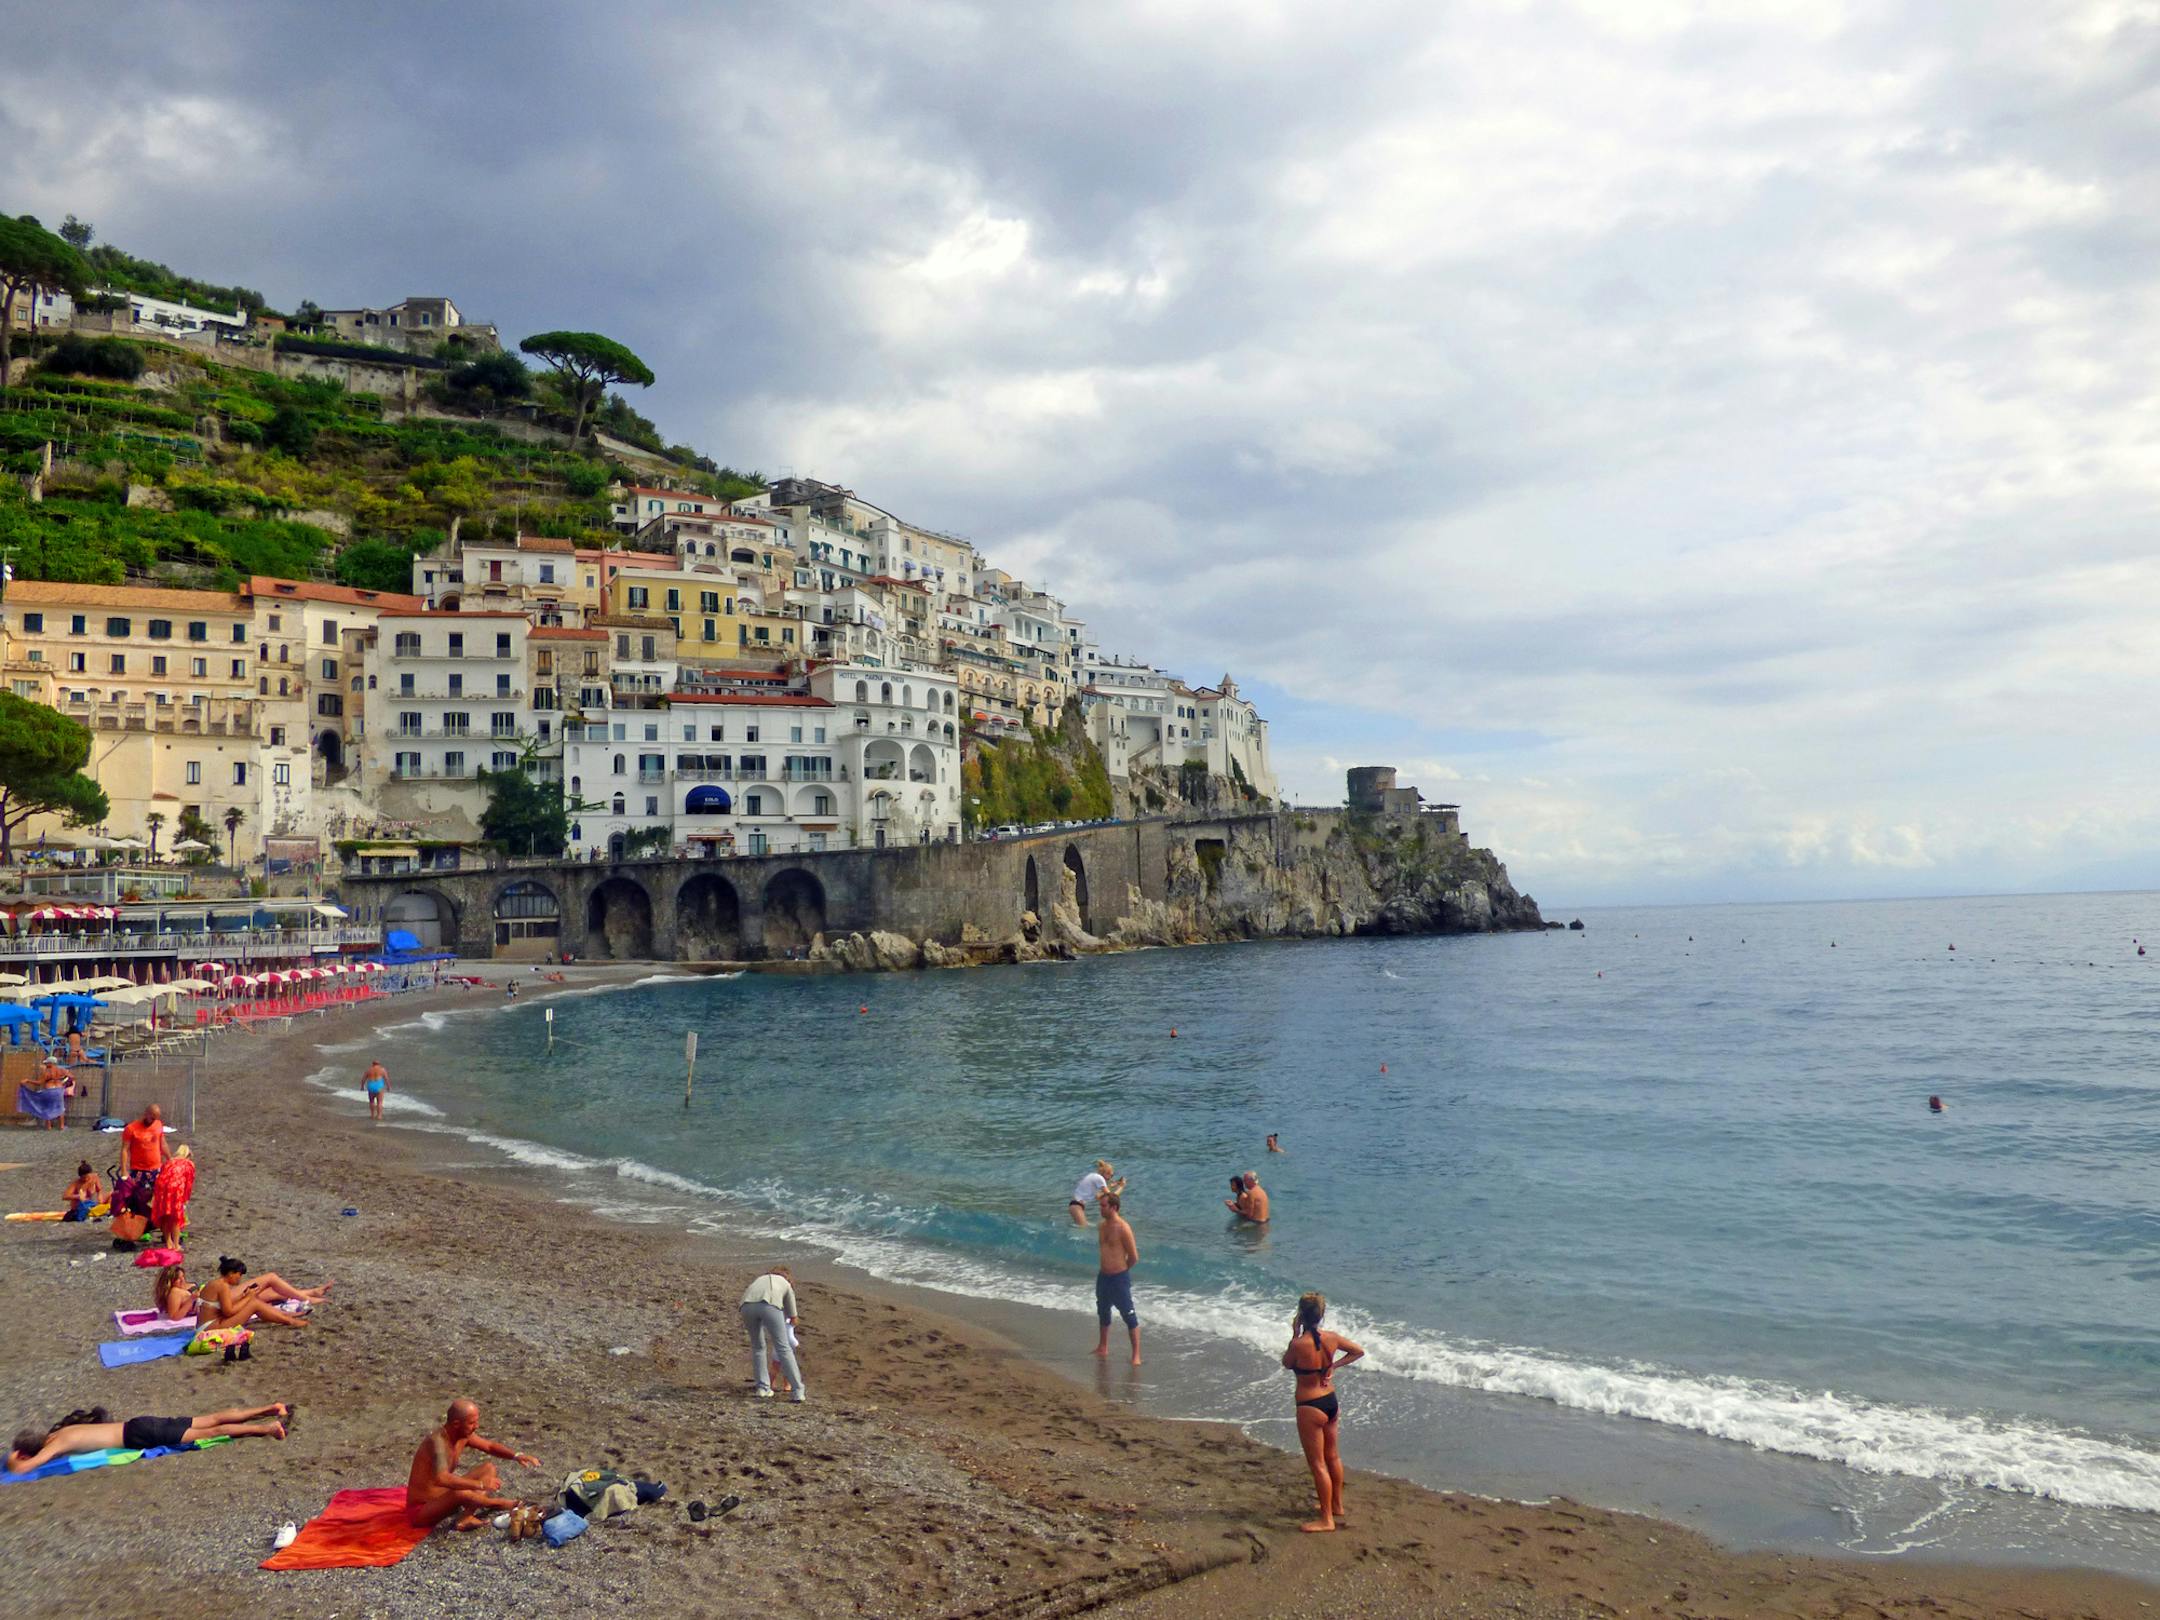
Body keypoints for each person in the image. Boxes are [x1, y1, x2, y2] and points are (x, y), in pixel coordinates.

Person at [1281, 1292, 1364, 1533]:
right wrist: (1333, 1366)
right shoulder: (1332, 1338)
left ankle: (1326, 1519)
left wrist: (1294, 1335)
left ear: (1300, 1316)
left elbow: (1287, 1363)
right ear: (1321, 1315)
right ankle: (1336, 1505)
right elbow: (1358, 1351)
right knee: (1333, 1457)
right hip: (1330, 1400)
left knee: (1317, 1464)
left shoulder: (1299, 1344)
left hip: (1309, 1406)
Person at [8, 1403, 289, 1473]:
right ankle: (270, 1408)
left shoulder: (56, 1444)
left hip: (141, 1434)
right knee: (213, 1418)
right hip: (139, 1422)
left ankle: (268, 1428)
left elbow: (24, 1468)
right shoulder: (59, 1432)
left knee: (213, 1431)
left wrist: (13, 1460)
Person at [405, 1398, 538, 1530]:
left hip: (443, 1495)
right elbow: (442, 1478)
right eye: (472, 1423)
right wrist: (480, 1485)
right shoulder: (438, 1443)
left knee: (488, 1468)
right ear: (456, 1424)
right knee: (461, 1492)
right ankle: (498, 1503)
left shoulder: (462, 1435)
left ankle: (466, 1517)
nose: (477, 1426)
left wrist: (516, 1455)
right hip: (422, 1509)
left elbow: (489, 1446)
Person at [741, 1267, 806, 1401]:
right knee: (783, 1347)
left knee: (758, 1347)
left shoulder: (759, 1279)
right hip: (769, 1305)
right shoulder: (786, 1284)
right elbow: (794, 1318)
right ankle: (798, 1390)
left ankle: (762, 1388)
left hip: (746, 1306)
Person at [1093, 1191, 1141, 1365]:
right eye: (1100, 1205)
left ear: (1114, 1207)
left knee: (1128, 1315)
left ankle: (1136, 1355)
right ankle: (1103, 1346)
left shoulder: (1123, 1228)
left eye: (1103, 1206)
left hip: (1119, 1278)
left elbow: (1134, 1256)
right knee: (1103, 1310)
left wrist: (1122, 1271)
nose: (1100, 1209)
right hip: (1103, 1276)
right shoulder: (1102, 1226)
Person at [150, 1144, 195, 1250]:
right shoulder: (188, 1164)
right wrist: (185, 1199)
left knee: (165, 1215)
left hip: (161, 1188)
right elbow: (188, 1184)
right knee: (175, 1217)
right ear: (188, 1155)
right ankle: (176, 1244)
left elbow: (161, 1176)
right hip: (175, 1189)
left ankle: (169, 1242)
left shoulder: (169, 1162)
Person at [1068, 1159, 1125, 1227]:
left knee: (1085, 1227)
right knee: (1082, 1229)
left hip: (1075, 1206)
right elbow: (1111, 1198)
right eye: (1111, 1176)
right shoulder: (1100, 1178)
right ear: (1106, 1173)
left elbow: (1099, 1197)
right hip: (1077, 1206)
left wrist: (1111, 1186)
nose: (1111, 1179)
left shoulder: (1094, 1176)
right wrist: (1121, 1187)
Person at [122, 1104, 166, 1177]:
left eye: (155, 1119)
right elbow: (124, 1150)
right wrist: (124, 1170)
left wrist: (170, 1159)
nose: (153, 1121)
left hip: (156, 1168)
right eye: (151, 1118)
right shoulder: (131, 1128)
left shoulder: (158, 1124)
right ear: (146, 1114)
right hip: (138, 1170)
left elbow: (163, 1143)